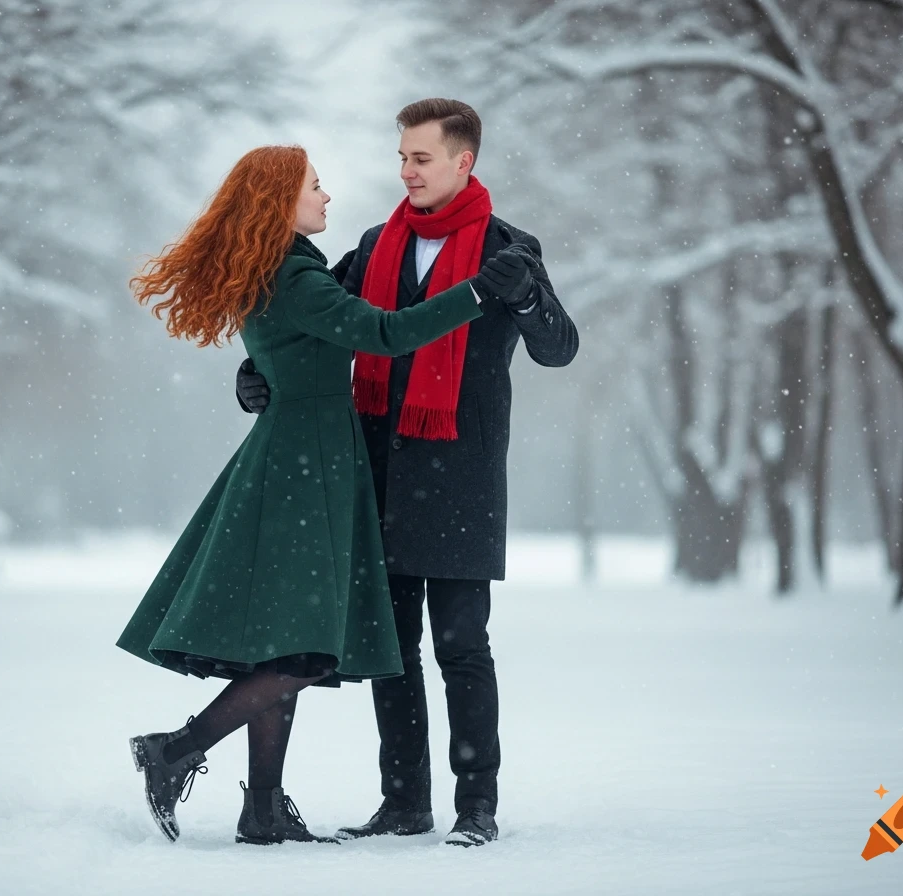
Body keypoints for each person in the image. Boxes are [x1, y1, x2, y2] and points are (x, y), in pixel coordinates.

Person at [117, 144, 510, 846]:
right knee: (305, 653)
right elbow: (384, 335)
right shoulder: (295, 275)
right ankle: (173, 751)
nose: (327, 198)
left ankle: (262, 811)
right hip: (306, 465)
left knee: (285, 645)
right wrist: (478, 292)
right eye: (315, 187)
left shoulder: (284, 271)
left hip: (303, 460)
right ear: (281, 202)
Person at [236, 100, 579, 847]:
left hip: (463, 476)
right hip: (377, 473)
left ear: (464, 162)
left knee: (462, 647)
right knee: (392, 650)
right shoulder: (372, 245)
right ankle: (404, 801)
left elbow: (560, 348)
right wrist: (253, 374)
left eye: (421, 158)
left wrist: (522, 295)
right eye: (401, 157)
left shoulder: (509, 250)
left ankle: (476, 805)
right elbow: (306, 323)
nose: (406, 171)